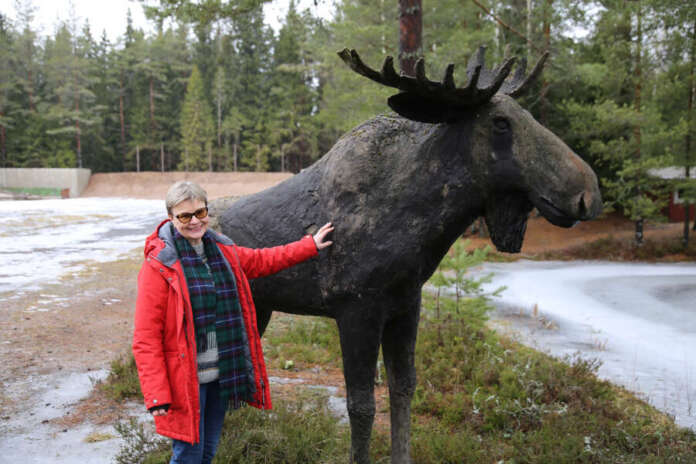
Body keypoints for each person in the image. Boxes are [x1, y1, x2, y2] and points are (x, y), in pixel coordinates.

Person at [132, 180, 334, 464]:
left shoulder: (223, 252)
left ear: (207, 212)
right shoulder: (160, 265)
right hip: (185, 381)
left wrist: (309, 245)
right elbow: (146, 337)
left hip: (221, 374)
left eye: (200, 213)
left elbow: (265, 260)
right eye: (185, 216)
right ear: (171, 218)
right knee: (188, 456)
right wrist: (156, 395)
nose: (194, 222)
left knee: (207, 451)